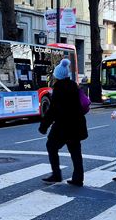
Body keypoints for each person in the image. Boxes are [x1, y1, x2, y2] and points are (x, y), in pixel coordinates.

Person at [38, 58, 88, 187]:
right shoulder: (74, 86)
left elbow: (53, 110)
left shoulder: (59, 88)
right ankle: (78, 178)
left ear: (58, 76)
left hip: (63, 126)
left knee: (51, 146)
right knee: (75, 151)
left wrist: (44, 126)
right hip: (77, 124)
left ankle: (57, 174)